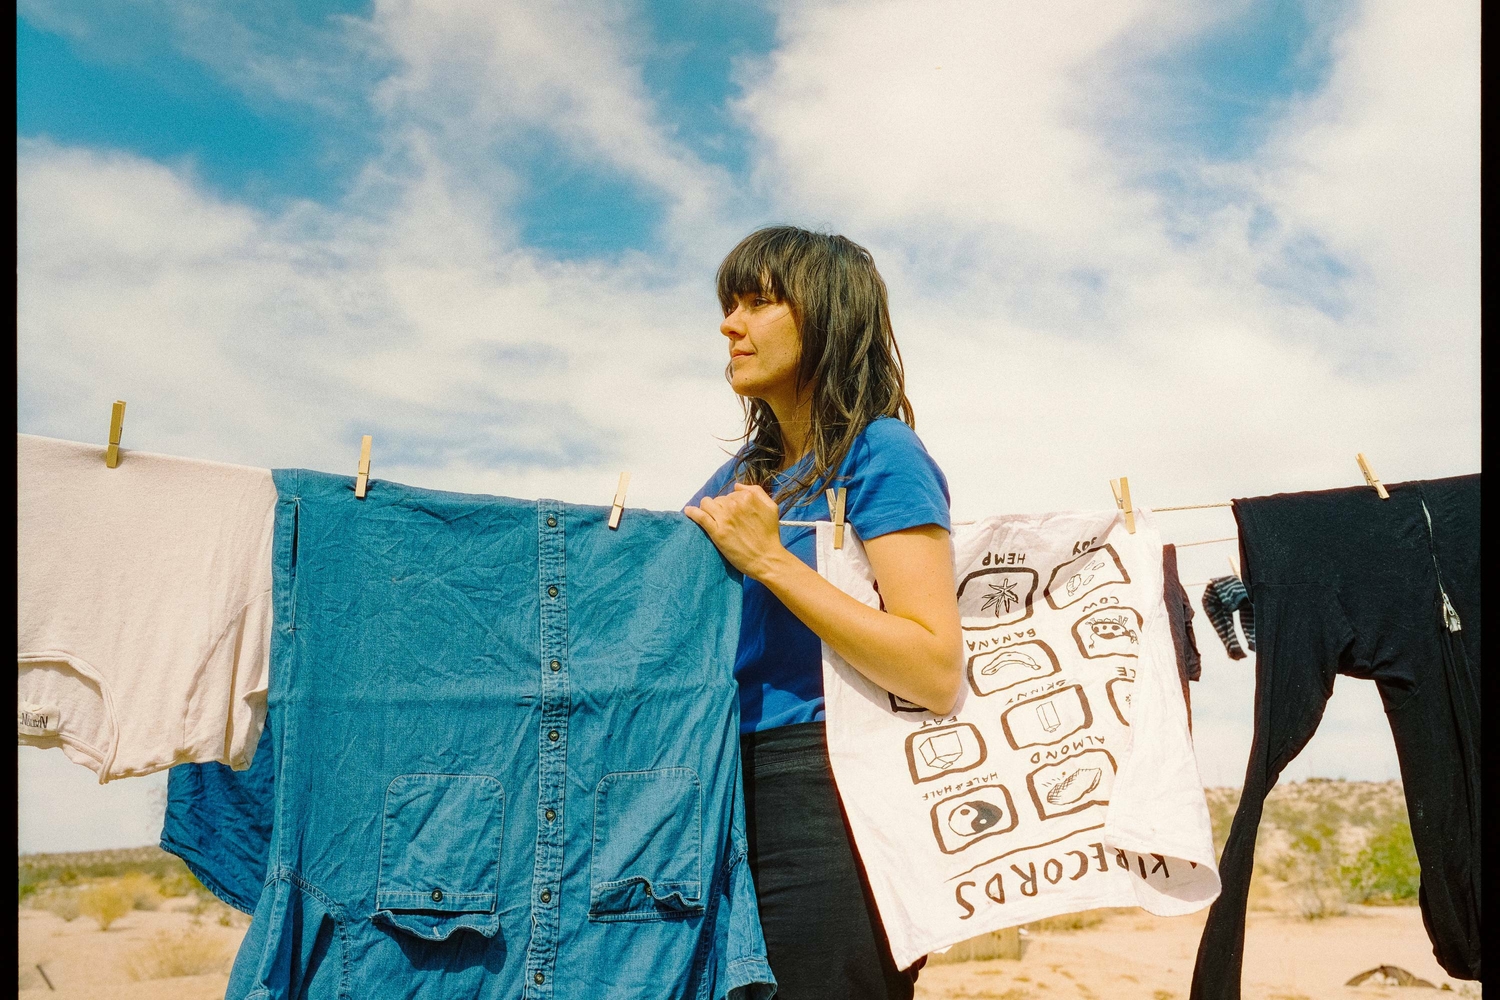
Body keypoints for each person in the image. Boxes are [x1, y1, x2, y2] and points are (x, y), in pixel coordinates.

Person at [684, 226, 963, 1000]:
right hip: (715, 785)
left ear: (828, 316)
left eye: (757, 302)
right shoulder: (741, 476)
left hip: (826, 791)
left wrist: (769, 560)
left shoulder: (882, 454)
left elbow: (934, 666)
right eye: (727, 306)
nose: (728, 325)